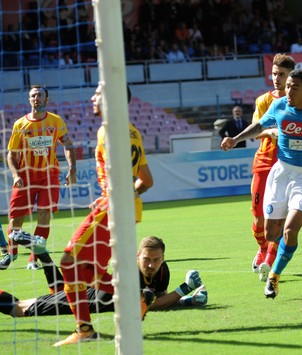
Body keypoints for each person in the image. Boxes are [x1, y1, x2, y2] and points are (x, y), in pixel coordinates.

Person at [221, 70, 302, 298]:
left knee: (290, 230)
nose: (289, 91)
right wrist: (236, 139)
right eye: (288, 85)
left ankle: (274, 277)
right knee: (272, 233)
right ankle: (281, 252)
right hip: (281, 173)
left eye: (295, 87)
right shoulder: (279, 106)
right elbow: (259, 126)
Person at [54, 84, 154, 347]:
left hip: (112, 207)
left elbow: (126, 179)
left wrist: (111, 195)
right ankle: (136, 300)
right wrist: (126, 195)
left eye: (97, 92)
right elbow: (146, 180)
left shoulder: (108, 130)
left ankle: (86, 329)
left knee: (67, 261)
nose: (92, 97)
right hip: (126, 209)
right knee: (87, 271)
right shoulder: (133, 131)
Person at [0, 234, 207, 318]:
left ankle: (44, 255)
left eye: (156, 259)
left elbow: (160, 299)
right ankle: (43, 254)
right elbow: (149, 305)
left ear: (163, 258)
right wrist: (184, 290)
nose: (151, 264)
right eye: (146, 259)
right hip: (90, 299)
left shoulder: (163, 270)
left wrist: (186, 301)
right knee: (18, 309)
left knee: (59, 292)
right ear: (137, 256)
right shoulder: (128, 271)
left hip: (86, 295)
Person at [0, 84, 76, 270]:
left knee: (44, 216)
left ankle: (33, 258)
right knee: (16, 219)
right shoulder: (20, 124)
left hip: (48, 175)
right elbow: (11, 154)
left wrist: (72, 168)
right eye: (33, 96)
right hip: (25, 176)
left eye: (40, 95)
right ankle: (12, 254)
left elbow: (68, 145)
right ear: (29, 99)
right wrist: (15, 174)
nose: (37, 98)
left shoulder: (56, 121)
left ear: (46, 99)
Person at [248, 53, 295, 282]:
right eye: (275, 74)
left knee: (278, 219)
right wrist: (272, 132)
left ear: (290, 77)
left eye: (282, 75)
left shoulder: (298, 102)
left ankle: (270, 260)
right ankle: (262, 248)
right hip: (264, 163)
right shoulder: (263, 101)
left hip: (287, 166)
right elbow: (255, 130)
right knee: (258, 220)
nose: (277, 78)